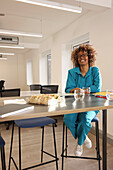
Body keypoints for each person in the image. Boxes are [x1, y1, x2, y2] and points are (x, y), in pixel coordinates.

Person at [63, 44, 102, 156]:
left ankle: (79, 144)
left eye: (84, 55)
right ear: (76, 58)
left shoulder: (95, 70)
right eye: (79, 56)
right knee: (68, 119)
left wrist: (86, 90)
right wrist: (74, 89)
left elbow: (97, 88)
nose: (82, 58)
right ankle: (84, 138)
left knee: (85, 120)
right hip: (75, 104)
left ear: (89, 57)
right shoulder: (72, 72)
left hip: (92, 104)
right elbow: (68, 89)